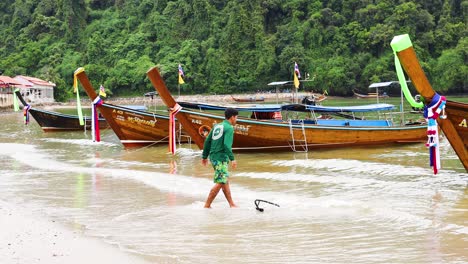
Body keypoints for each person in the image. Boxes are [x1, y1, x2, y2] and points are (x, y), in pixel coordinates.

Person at [202, 107, 239, 208]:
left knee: (224, 180)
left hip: (213, 157)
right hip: (221, 158)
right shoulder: (229, 128)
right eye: (236, 117)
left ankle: (231, 204)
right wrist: (232, 159)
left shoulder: (217, 126)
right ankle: (207, 205)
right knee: (221, 181)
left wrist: (204, 156)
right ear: (232, 117)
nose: (236, 120)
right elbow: (227, 145)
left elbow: (207, 141)